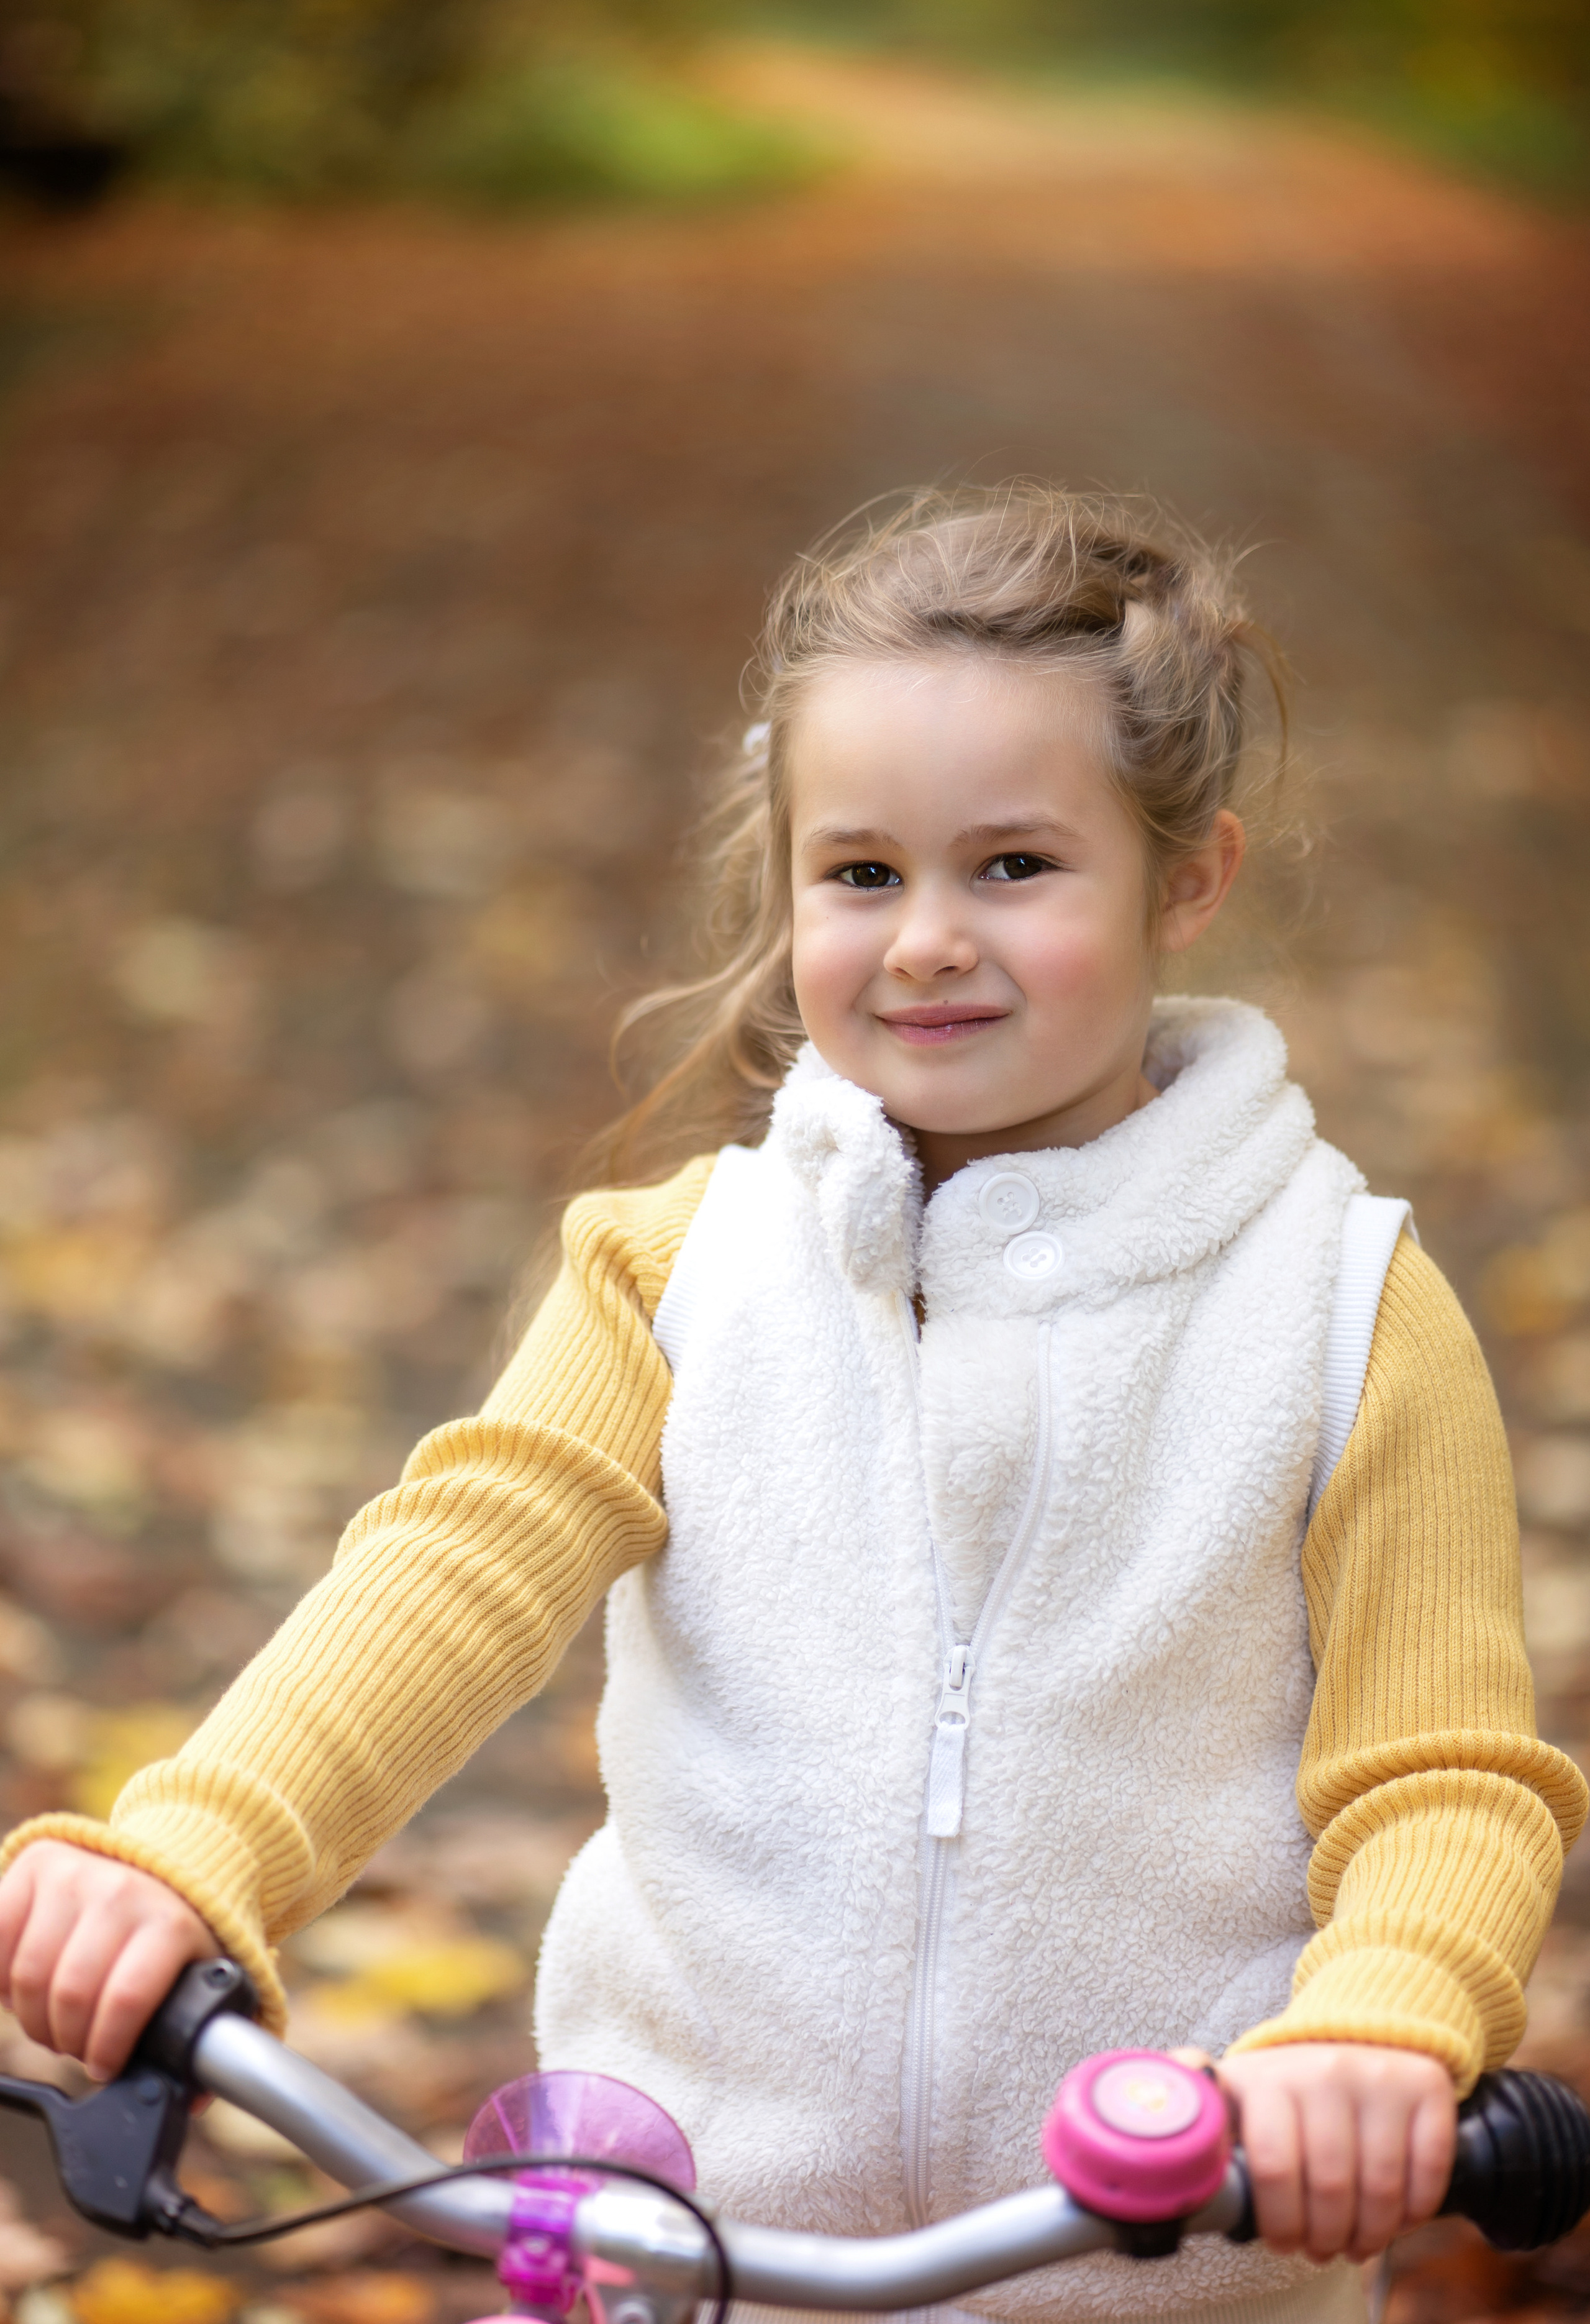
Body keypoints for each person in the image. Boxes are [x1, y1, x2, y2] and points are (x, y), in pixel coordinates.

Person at [0, 488, 1580, 2324]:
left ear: (1189, 876)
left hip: (1164, 2269)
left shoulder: (1344, 1313)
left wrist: (1378, 2026)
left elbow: (1444, 1775)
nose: (923, 940)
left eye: (1012, 867)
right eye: (861, 874)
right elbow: (451, 1570)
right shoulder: (681, 1274)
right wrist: (204, 1845)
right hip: (679, 2252)